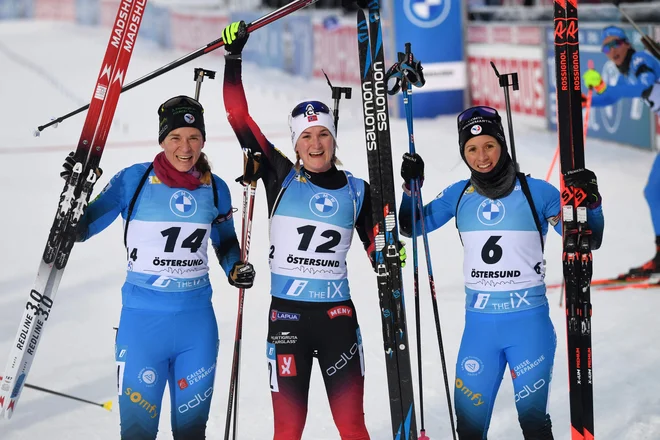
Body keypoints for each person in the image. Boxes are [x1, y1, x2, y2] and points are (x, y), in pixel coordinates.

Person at [398, 106, 605, 440]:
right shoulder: (458, 195)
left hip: (528, 327)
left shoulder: (538, 192)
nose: (482, 156)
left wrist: (591, 204)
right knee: (467, 428)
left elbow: (587, 240)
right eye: (471, 149)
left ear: (502, 144)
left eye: (489, 146)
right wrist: (411, 188)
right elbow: (410, 226)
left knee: (533, 423)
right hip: (479, 331)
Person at [62, 96, 255, 440]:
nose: (185, 147)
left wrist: (235, 268)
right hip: (141, 329)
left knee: (192, 433)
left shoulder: (216, 189)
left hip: (196, 330)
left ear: (204, 141)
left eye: (194, 137)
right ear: (162, 139)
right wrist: (76, 190)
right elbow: (80, 229)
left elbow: (225, 243)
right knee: (137, 433)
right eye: (176, 137)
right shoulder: (133, 181)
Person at [221, 20, 376, 440]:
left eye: (323, 133)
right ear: (295, 143)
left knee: (353, 427)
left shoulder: (358, 191)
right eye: (306, 136)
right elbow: (237, 114)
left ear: (333, 138)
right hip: (286, 318)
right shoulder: (279, 176)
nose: (316, 143)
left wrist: (389, 251)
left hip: (337, 319)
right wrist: (233, 56)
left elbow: (382, 252)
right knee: (287, 431)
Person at [582, 25, 660, 278]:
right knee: (653, 192)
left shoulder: (640, 59)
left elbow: (642, 86)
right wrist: (586, 99)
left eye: (615, 43)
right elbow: (613, 97)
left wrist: (605, 87)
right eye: (606, 47)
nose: (611, 50)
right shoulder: (629, 70)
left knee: (655, 192)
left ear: (626, 43)